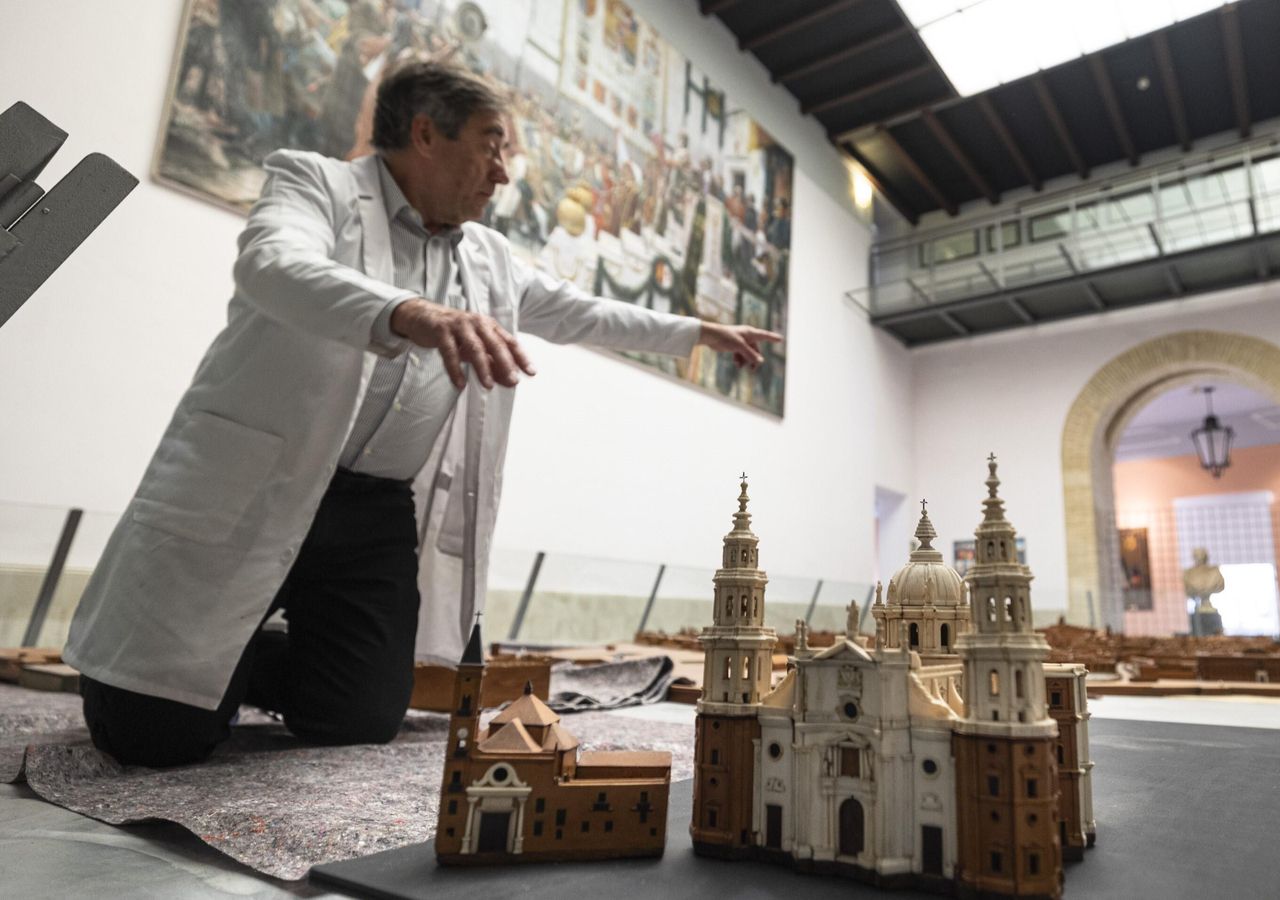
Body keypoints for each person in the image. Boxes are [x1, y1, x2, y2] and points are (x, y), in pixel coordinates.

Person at [63, 62, 779, 768]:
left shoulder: (490, 256)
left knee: (358, 719)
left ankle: (244, 658)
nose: (503, 173)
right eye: (492, 144)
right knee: (151, 740)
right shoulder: (317, 184)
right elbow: (271, 264)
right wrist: (404, 311)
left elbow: (580, 312)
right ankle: (171, 680)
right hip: (261, 479)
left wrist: (692, 332)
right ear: (426, 133)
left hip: (372, 511)